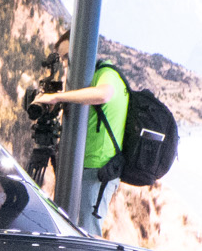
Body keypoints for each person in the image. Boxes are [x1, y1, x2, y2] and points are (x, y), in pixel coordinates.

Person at [30, 27, 129, 234]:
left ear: (83, 50)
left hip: (97, 170)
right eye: (63, 59)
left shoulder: (106, 73)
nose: (65, 64)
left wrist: (57, 97)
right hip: (84, 167)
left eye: (67, 57)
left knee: (87, 233)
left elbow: (104, 95)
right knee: (69, 228)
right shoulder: (90, 79)